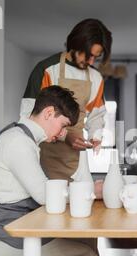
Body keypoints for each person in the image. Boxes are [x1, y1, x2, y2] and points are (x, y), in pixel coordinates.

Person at [0, 86, 109, 256]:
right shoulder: (18, 143)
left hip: (2, 231)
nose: (63, 134)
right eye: (63, 126)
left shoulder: (21, 136)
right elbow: (45, 197)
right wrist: (91, 191)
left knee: (86, 245)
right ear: (49, 113)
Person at [20, 18, 112, 185]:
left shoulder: (95, 77)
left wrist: (95, 136)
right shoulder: (46, 70)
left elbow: (96, 115)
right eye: (89, 55)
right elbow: (28, 118)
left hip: (77, 160)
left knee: (81, 203)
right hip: (45, 155)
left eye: (96, 57)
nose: (91, 62)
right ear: (76, 44)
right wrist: (65, 135)